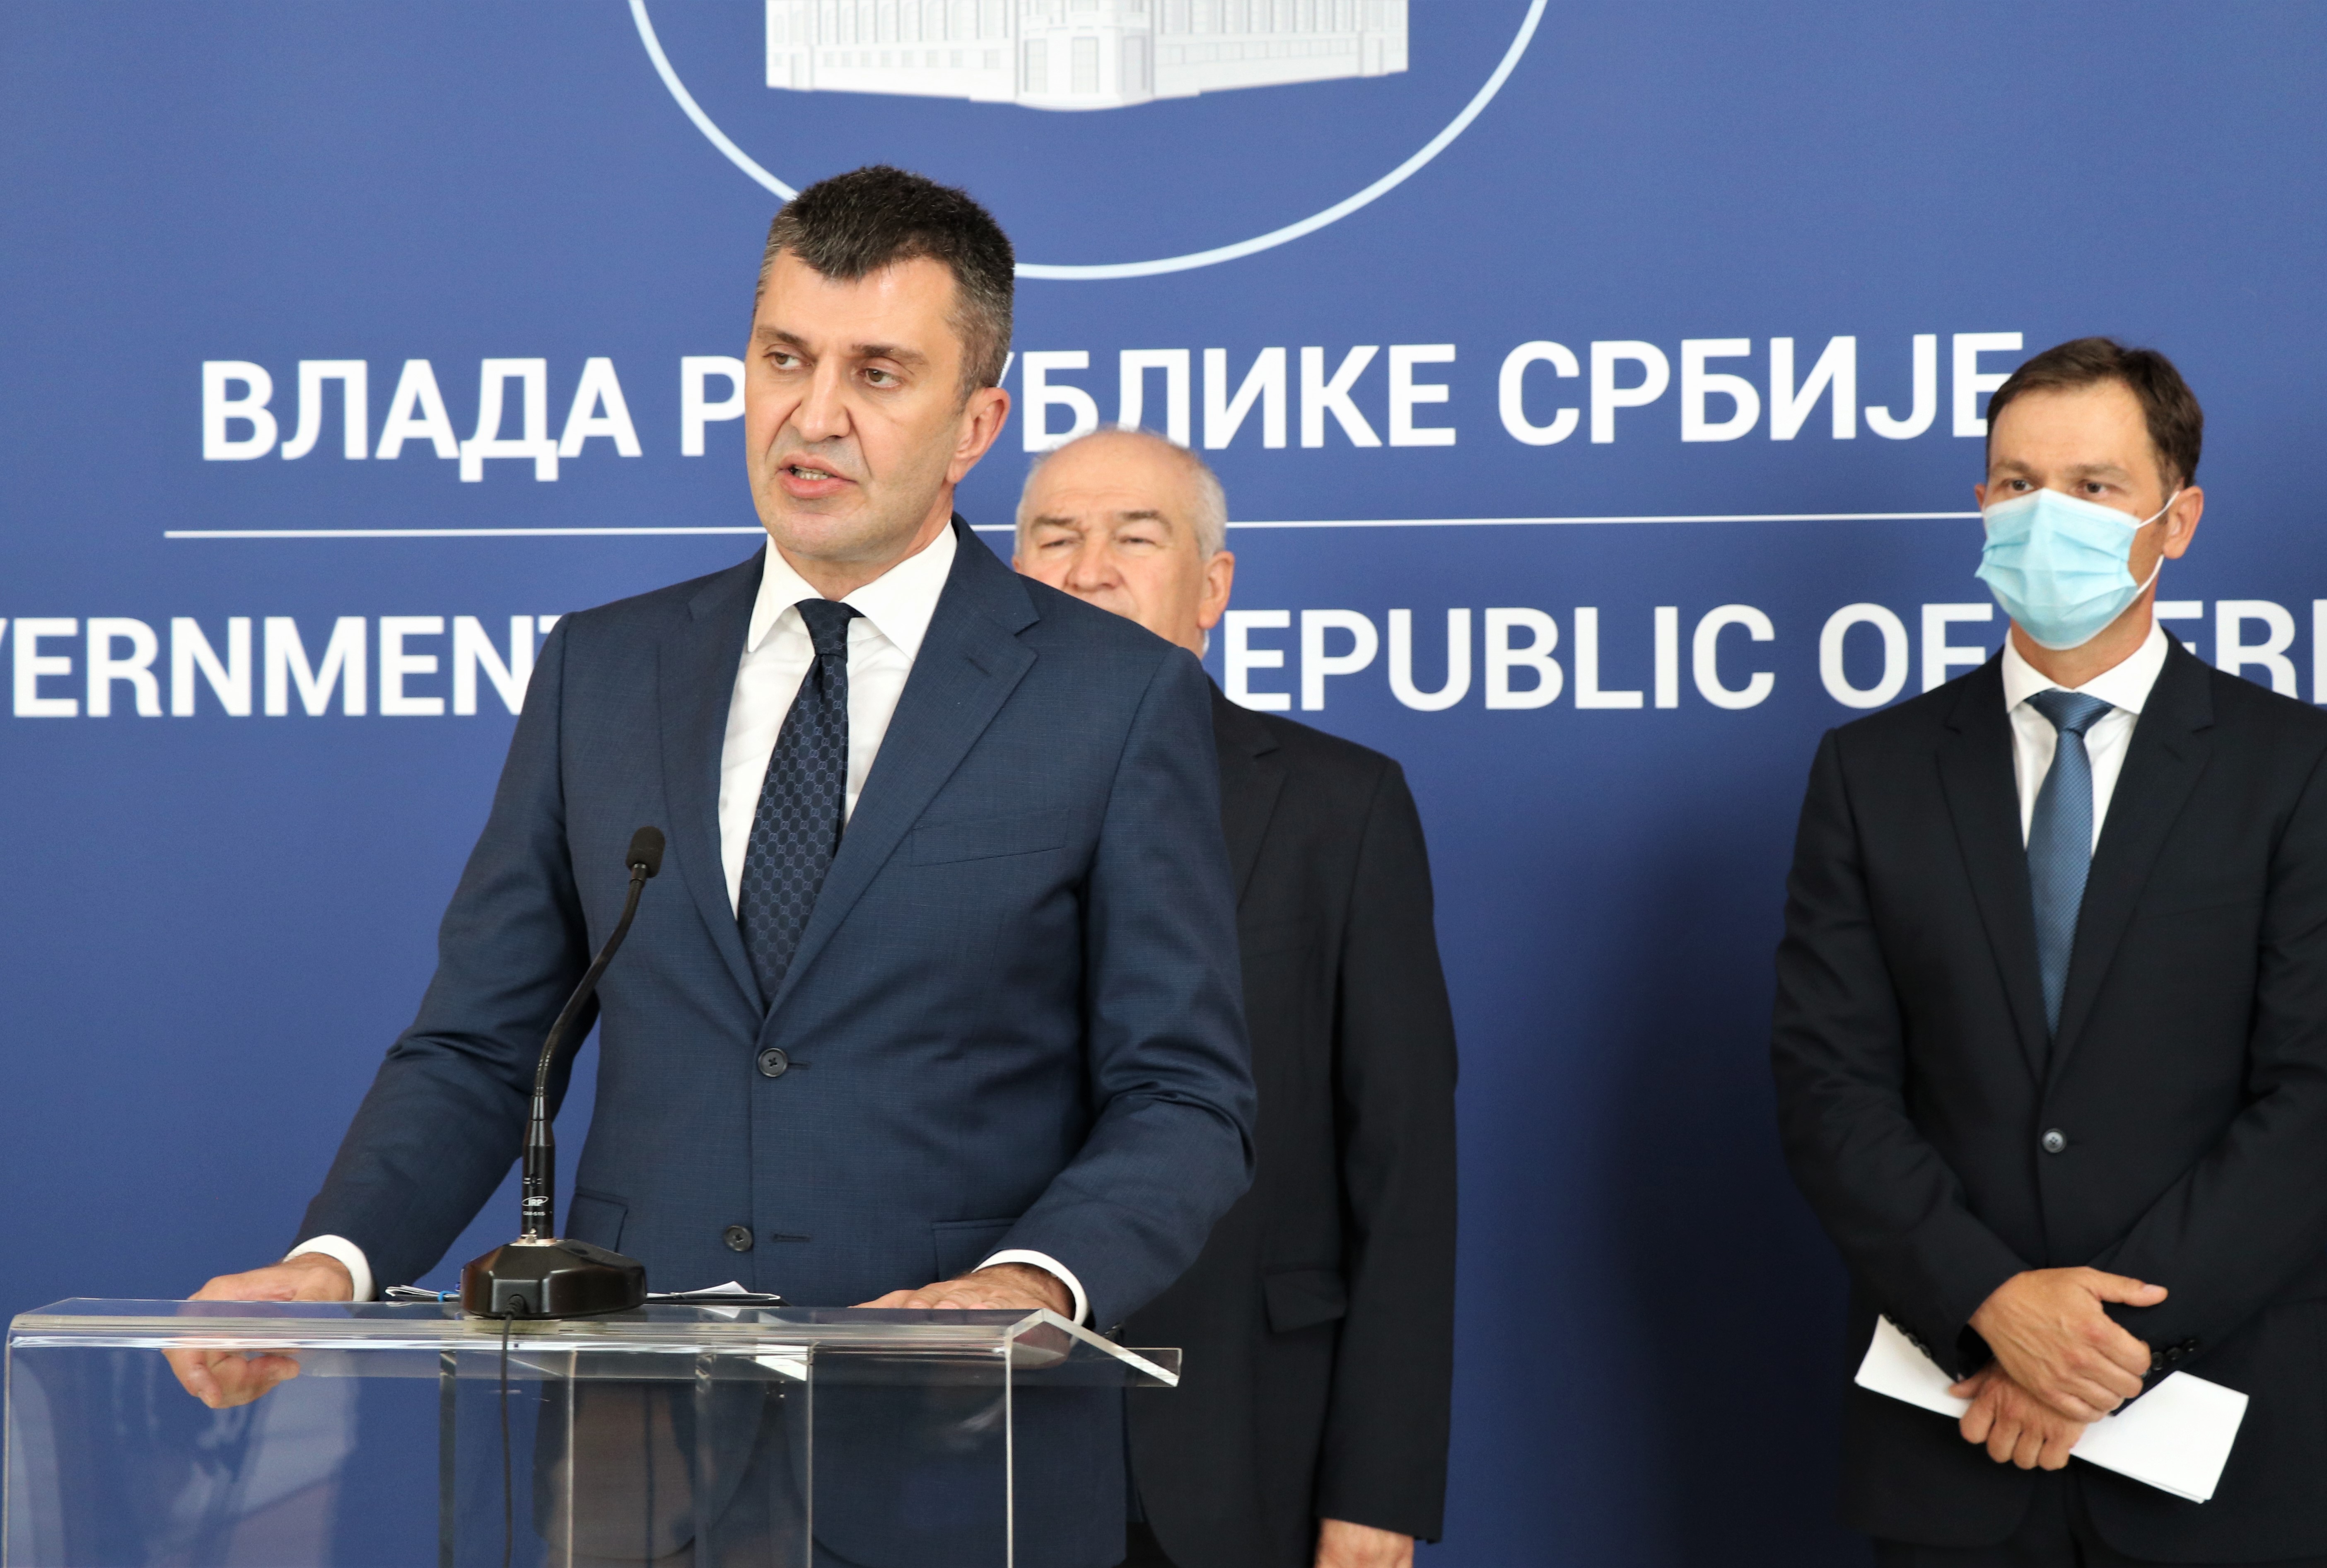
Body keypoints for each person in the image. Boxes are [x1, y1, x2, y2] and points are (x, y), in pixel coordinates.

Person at [167, 167, 1256, 1568]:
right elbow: (483, 1044)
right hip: (639, 1459)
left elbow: (1185, 1094)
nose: (815, 413)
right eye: (785, 358)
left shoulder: (1112, 698)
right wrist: (333, 1262)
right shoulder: (603, 671)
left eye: (878, 373)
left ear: (977, 425)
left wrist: (1028, 1282)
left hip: (955, 1458)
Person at [1772, 337, 2327, 1567]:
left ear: (2176, 520)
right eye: (2017, 483)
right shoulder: (1871, 774)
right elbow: (1830, 1090)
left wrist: (2088, 1354)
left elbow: (2320, 1098)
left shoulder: (2304, 771)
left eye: (2093, 487)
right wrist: (1990, 1307)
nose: (2047, 517)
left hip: (2221, 1451)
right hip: (1952, 1442)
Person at [1011, 429, 1456, 1568]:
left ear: (1212, 586)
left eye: (1135, 537)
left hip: (1242, 1449)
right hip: (973, 1452)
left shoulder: (1339, 806)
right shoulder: (910, 807)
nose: (1089, 569)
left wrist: (1379, 1487)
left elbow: (1403, 1168)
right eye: (1054, 539)